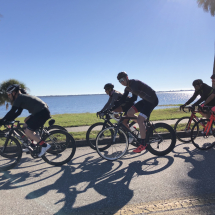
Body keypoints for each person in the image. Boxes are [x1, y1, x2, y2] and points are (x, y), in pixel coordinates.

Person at [0, 84, 51, 157]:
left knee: (28, 131)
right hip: (40, 112)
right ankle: (32, 145)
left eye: (9, 94)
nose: (8, 96)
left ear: (13, 93)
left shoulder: (19, 98)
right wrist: (8, 119)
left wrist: (3, 120)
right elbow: (18, 112)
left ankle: (45, 145)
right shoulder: (21, 97)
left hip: (42, 113)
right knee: (25, 126)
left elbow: (12, 111)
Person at [116, 71, 159, 153]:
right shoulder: (127, 88)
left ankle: (143, 144)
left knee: (140, 120)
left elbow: (133, 98)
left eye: (122, 79)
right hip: (145, 100)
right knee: (129, 113)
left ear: (127, 78)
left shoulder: (134, 84)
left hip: (152, 100)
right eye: (119, 81)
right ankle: (144, 127)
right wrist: (114, 107)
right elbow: (124, 99)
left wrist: (124, 103)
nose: (121, 82)